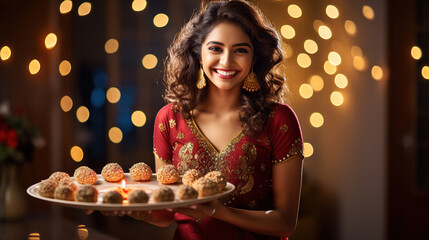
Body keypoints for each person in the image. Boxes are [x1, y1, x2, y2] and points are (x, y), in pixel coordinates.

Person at [128, 1, 304, 239]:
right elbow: (166, 213)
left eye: (240, 50)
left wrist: (220, 212)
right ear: (198, 53)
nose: (226, 61)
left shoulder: (279, 120)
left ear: (254, 57)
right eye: (216, 48)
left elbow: (285, 223)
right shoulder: (169, 119)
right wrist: (131, 208)